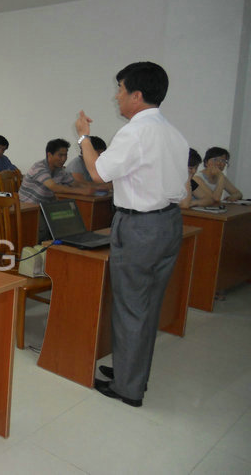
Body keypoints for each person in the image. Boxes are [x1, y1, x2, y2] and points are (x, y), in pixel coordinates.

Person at [75, 61, 187, 408]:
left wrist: (83, 137)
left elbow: (98, 173)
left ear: (136, 95)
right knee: (147, 306)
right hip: (168, 223)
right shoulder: (173, 133)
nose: (116, 96)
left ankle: (127, 387)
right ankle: (132, 371)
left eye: (120, 90)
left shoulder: (135, 132)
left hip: (140, 227)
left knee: (130, 307)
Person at [18, 138, 95, 241]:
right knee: (47, 227)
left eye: (65, 155)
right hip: (29, 208)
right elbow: (54, 187)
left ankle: (58, 246)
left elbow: (74, 183)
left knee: (70, 219)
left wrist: (96, 187)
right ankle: (45, 246)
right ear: (49, 155)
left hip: (46, 206)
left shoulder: (59, 170)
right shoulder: (39, 167)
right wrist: (82, 191)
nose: (63, 159)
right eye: (60, 155)